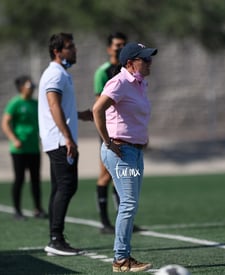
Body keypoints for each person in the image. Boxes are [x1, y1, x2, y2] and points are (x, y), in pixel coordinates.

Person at [93, 42, 157, 272]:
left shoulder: (139, 84)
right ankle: (121, 259)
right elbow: (97, 109)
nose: (150, 62)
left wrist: (142, 137)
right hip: (121, 151)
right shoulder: (119, 82)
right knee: (128, 204)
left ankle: (123, 257)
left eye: (149, 58)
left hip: (134, 151)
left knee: (130, 204)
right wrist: (108, 142)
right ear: (130, 63)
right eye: (145, 59)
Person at [38, 33, 92, 256]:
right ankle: (56, 239)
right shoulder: (55, 74)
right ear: (57, 51)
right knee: (68, 186)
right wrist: (68, 138)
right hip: (60, 141)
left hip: (58, 139)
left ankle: (55, 238)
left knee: (59, 188)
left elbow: (61, 108)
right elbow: (53, 106)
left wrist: (80, 115)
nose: (74, 50)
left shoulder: (61, 73)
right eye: (70, 47)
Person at [93, 32, 127, 234]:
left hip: (125, 131)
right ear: (109, 49)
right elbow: (100, 105)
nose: (120, 48)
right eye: (117, 45)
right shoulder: (103, 72)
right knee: (106, 175)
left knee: (122, 174)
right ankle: (104, 222)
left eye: (123, 44)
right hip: (108, 131)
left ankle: (122, 219)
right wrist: (106, 136)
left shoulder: (127, 71)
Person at [1, 75, 46, 220]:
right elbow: (5, 123)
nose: (32, 88)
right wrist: (14, 139)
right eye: (29, 85)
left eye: (33, 86)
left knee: (35, 180)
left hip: (34, 148)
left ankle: (38, 208)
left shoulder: (35, 103)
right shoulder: (15, 103)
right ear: (21, 87)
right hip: (19, 149)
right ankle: (17, 210)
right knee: (19, 179)